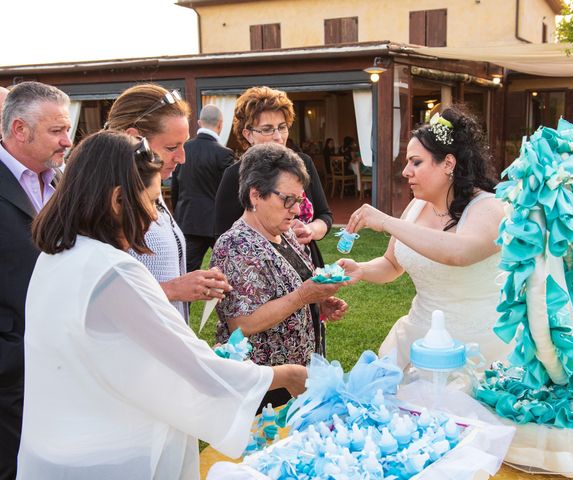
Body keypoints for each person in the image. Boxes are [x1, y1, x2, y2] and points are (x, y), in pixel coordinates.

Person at [18, 131, 307, 479]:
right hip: (108, 459)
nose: (155, 217)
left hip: (58, 447)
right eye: (154, 202)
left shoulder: (58, 257)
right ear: (118, 200)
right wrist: (285, 375)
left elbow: (121, 353)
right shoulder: (114, 273)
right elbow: (193, 367)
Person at [338, 106, 512, 370]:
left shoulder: (490, 208)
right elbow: (392, 264)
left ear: (449, 164)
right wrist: (360, 269)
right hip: (418, 338)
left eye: (416, 162)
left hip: (479, 348)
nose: (406, 171)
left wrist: (386, 222)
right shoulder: (417, 207)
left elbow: (458, 253)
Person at [212, 143, 347, 409]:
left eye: (299, 200)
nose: (296, 210)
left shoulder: (283, 233)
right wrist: (303, 296)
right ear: (255, 195)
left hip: (297, 378)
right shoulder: (236, 245)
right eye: (287, 200)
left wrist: (317, 304)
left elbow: (287, 290)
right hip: (265, 389)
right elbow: (241, 323)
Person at [214, 86, 334, 355]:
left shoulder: (300, 166)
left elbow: (324, 214)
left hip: (297, 271)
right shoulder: (235, 182)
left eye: (282, 127)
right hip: (263, 356)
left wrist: (311, 230)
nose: (278, 136)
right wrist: (302, 294)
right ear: (247, 134)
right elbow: (229, 251)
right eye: (267, 129)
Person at [106, 84, 229, 321]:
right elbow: (101, 295)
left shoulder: (150, 187)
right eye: (171, 147)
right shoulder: (111, 203)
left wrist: (193, 282)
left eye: (183, 144)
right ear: (134, 139)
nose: (182, 158)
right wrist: (173, 289)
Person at [0, 81, 71, 480]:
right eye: (56, 131)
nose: (67, 141)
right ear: (20, 130)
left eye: (67, 129)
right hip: (11, 365)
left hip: (60, 358)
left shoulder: (60, 182)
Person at [172, 104, 235, 272]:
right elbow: (230, 192)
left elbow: (175, 188)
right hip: (216, 224)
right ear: (221, 124)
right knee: (229, 271)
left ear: (199, 122)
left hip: (188, 220)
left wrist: (178, 212)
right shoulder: (224, 154)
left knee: (186, 272)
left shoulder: (184, 149)